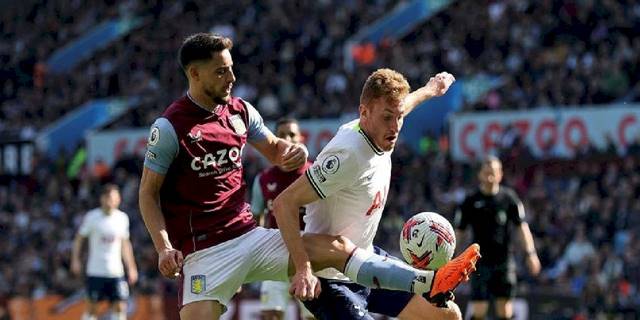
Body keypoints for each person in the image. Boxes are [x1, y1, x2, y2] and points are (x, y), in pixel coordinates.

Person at [139, 33, 478, 320]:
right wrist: (164, 246)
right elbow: (148, 194)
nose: (231, 78)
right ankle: (426, 281)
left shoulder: (240, 112)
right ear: (195, 74)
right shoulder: (170, 127)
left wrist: (291, 153)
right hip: (203, 252)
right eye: (221, 72)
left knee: (337, 250)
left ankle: (428, 281)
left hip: (248, 235)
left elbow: (275, 150)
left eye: (231, 69)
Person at [273, 68, 479, 319]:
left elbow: (405, 104)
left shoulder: (381, 131)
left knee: (447, 315)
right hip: (331, 278)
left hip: (366, 259)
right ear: (364, 113)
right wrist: (303, 268)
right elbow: (284, 203)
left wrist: (430, 89)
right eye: (387, 117)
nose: (395, 127)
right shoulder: (348, 154)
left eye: (399, 117)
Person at [454, 156, 541, 320]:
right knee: (479, 310)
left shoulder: (509, 199)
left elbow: (522, 228)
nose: (489, 177)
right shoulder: (470, 201)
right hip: (479, 263)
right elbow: (460, 231)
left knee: (505, 311)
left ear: (500, 174)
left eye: (493, 173)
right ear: (479, 174)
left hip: (504, 262)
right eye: (486, 173)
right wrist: (455, 259)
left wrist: (531, 253)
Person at [251, 118, 314, 320]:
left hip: (312, 256)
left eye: (292, 134)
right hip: (275, 255)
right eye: (282, 135)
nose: (287, 139)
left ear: (301, 138)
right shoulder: (263, 179)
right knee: (271, 315)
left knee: (313, 315)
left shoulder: (315, 173)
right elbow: (256, 220)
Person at [71, 184, 138, 320]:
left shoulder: (122, 218)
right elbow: (79, 239)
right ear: (102, 199)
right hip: (96, 271)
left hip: (116, 272)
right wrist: (75, 260)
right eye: (108, 197)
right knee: (92, 309)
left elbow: (125, 244)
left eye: (114, 197)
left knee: (120, 306)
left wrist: (131, 267)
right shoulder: (92, 217)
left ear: (118, 199)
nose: (111, 201)